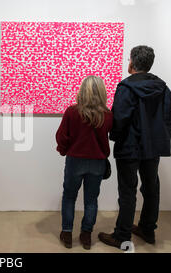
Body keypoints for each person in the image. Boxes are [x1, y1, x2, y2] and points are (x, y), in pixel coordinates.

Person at [98, 45, 171, 249]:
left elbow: (120, 118)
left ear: (132, 62)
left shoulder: (126, 87)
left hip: (129, 147)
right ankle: (147, 229)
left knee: (127, 191)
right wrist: (158, 135)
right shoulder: (162, 87)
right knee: (151, 188)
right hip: (152, 148)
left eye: (128, 60)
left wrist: (114, 136)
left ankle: (122, 236)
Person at [56, 75, 113, 250]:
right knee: (91, 200)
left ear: (83, 91)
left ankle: (67, 233)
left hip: (75, 160)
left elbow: (61, 136)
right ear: (102, 92)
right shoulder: (108, 115)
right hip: (97, 162)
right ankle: (86, 235)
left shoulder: (72, 112)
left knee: (69, 197)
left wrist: (63, 150)